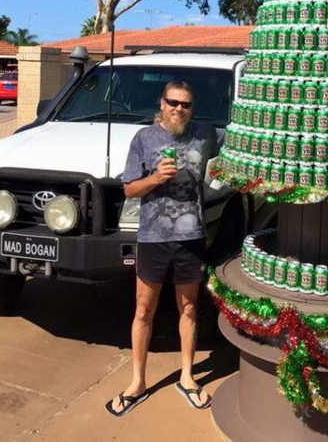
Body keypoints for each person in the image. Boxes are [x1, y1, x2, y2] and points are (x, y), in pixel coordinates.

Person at [106, 80, 221, 417]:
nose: (178, 109)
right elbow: (129, 190)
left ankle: (187, 377)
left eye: (185, 104)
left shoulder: (205, 135)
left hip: (191, 238)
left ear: (192, 108)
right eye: (173, 102)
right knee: (144, 310)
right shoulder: (144, 139)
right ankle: (137, 382)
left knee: (189, 309)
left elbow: (240, 143)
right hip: (153, 238)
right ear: (162, 103)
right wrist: (156, 178)